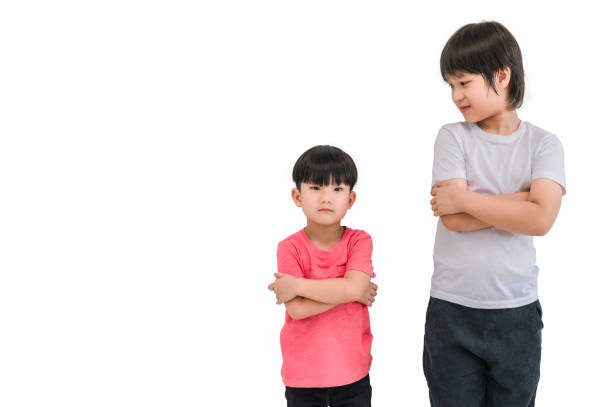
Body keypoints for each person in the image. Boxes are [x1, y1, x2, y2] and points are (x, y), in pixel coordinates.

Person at [425, 21, 566, 407]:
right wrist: (521, 201)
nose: (455, 95)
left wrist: (468, 200)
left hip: (516, 314)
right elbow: (450, 218)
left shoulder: (544, 145)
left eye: (464, 82)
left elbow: (541, 221)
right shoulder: (452, 136)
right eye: (450, 85)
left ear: (501, 75)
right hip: (451, 310)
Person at [268, 145, 378, 407]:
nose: (326, 198)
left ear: (350, 199)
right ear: (297, 196)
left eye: (337, 189)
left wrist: (297, 285)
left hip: (353, 373)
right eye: (316, 188)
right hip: (303, 378)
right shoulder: (289, 247)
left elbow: (353, 288)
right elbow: (297, 309)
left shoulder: (359, 241)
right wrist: (351, 291)